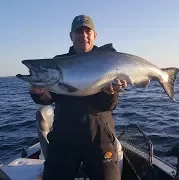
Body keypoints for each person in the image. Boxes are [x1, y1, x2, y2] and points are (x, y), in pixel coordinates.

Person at [29, 14, 127, 180]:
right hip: (64, 138)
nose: (84, 36)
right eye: (79, 32)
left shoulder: (109, 62)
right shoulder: (58, 62)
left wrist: (112, 92)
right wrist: (37, 93)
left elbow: (108, 106)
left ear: (95, 35)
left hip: (99, 138)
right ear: (71, 36)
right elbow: (48, 98)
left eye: (88, 31)